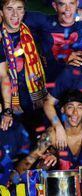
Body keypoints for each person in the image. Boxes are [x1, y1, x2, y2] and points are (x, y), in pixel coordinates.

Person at [15, 89, 82, 188]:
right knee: (46, 162)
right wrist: (13, 178)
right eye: (70, 107)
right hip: (59, 187)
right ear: (62, 110)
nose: (75, 113)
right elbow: (30, 159)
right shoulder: (52, 133)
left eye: (79, 107)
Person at [0, 0, 47, 140]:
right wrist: (7, 110)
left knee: (39, 136)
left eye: (19, 9)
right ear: (1, 12)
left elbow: (61, 22)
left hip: (36, 96)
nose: (15, 14)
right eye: (9, 9)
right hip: (10, 100)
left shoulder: (32, 25)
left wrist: (81, 13)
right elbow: (4, 76)